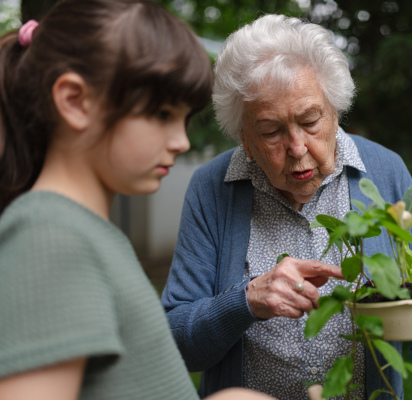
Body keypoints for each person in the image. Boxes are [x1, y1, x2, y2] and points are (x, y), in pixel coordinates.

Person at [161, 14, 412, 400]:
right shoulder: (212, 189)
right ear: (243, 137)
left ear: (335, 109)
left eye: (310, 121)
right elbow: (174, 339)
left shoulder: (385, 171)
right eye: (271, 131)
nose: (297, 147)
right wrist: (246, 300)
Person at [0, 1, 273, 400]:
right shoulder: (50, 236)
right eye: (162, 113)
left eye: (184, 119)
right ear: (75, 101)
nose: (181, 142)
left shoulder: (86, 232)